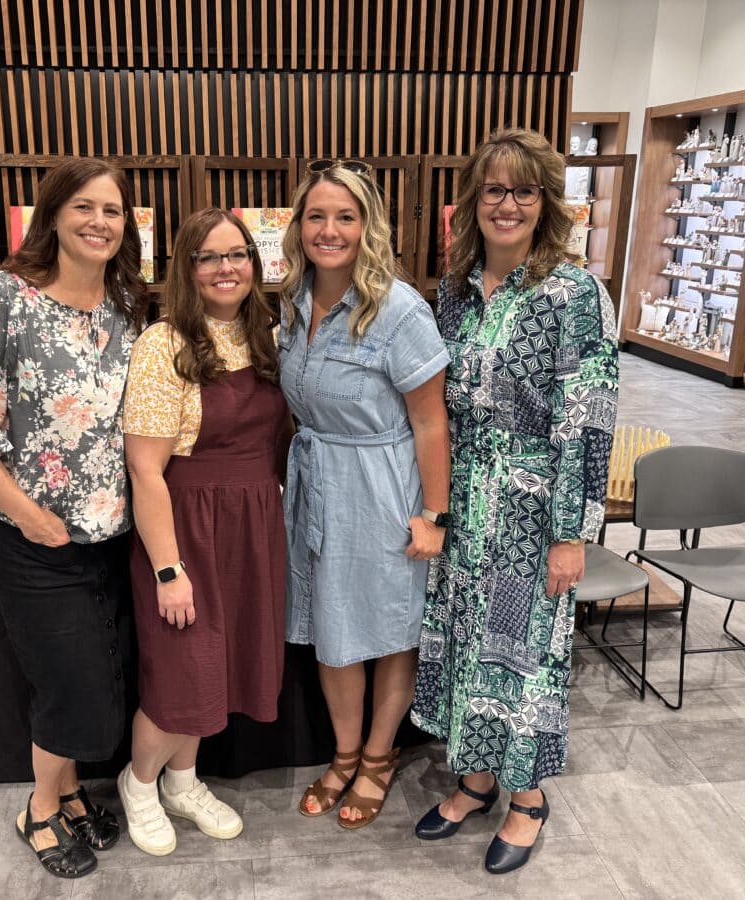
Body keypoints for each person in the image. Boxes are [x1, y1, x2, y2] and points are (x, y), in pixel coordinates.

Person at [0, 159, 148, 879]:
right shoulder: (2, 297)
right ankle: (40, 808)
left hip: (115, 536)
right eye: (83, 206)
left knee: (101, 676)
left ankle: (70, 790)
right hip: (33, 539)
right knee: (70, 682)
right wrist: (29, 515)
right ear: (52, 214)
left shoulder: (128, 306)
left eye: (112, 209)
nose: (99, 222)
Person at [410, 128, 619, 873]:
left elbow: (588, 420)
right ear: (474, 200)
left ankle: (527, 798)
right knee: (468, 642)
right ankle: (474, 779)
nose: (507, 204)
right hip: (465, 500)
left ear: (545, 202)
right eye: (494, 189)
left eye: (523, 190)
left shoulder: (573, 292)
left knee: (524, 652)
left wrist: (572, 533)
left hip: (534, 510)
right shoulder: (453, 289)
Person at [280, 160, 451, 829]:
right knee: (333, 630)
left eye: (345, 217)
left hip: (382, 486)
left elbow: (432, 420)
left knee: (387, 630)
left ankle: (379, 757)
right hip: (319, 483)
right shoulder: (294, 300)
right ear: (298, 226)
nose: (329, 229)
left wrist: (432, 514)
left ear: (367, 225)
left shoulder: (399, 309)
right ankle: (345, 751)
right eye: (316, 216)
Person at [118, 207, 288, 855]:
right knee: (181, 673)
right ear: (186, 268)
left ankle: (183, 783)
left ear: (255, 261)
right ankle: (139, 784)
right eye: (209, 257)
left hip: (250, 526)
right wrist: (168, 567)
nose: (226, 268)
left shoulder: (266, 332)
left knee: (218, 667)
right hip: (185, 526)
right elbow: (145, 468)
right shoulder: (163, 344)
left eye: (237, 254)